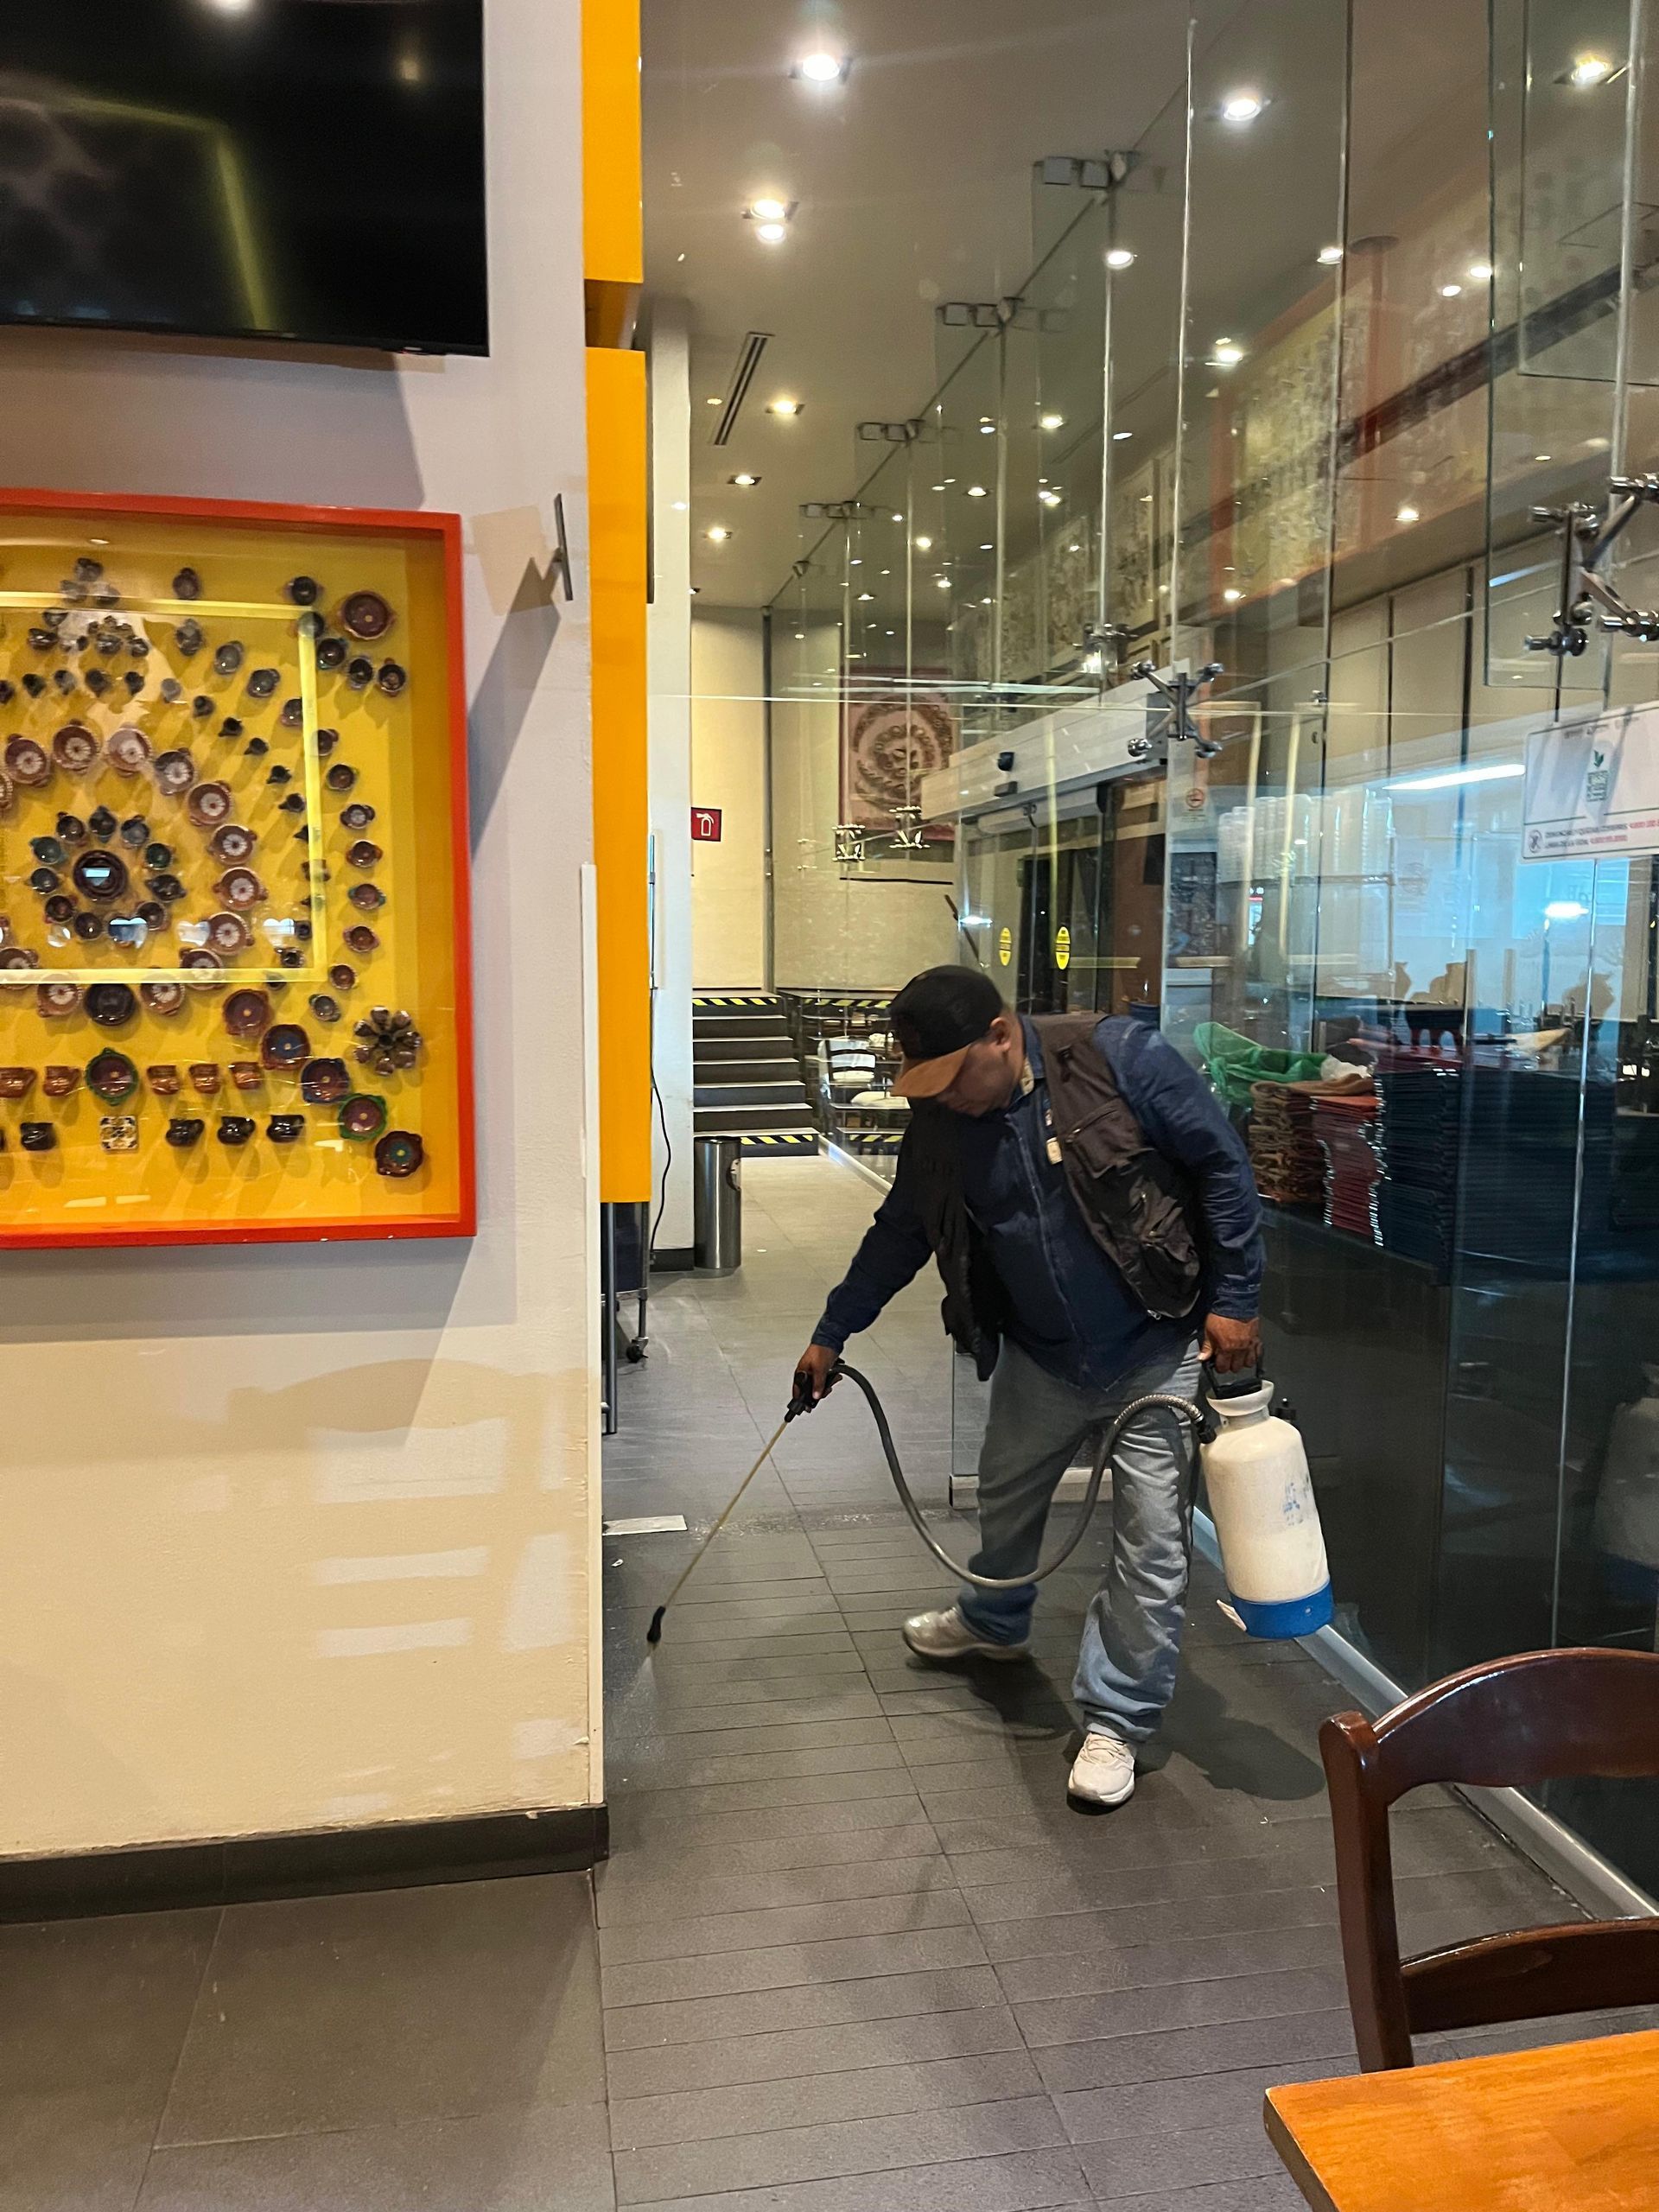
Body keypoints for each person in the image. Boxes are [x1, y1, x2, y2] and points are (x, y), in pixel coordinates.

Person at [793, 966, 1263, 1807]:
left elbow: (1223, 1168)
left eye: (954, 1078)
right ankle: (994, 1620)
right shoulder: (947, 1120)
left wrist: (1236, 1300)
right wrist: (833, 1330)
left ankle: (1117, 1718)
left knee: (1152, 1545)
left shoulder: (1118, 1060)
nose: (946, 1099)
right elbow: (901, 1228)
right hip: (1041, 1356)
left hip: (1154, 1345)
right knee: (1005, 1494)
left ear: (1001, 1037)